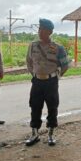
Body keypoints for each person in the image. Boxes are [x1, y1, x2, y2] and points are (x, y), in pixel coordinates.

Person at [25, 18, 70, 146]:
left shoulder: (58, 48)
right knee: (35, 106)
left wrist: (56, 76)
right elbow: (28, 61)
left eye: (43, 29)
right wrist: (34, 73)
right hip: (37, 81)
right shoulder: (32, 45)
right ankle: (34, 134)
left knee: (52, 107)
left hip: (51, 82)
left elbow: (65, 65)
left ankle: (50, 134)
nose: (40, 31)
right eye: (39, 29)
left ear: (49, 31)